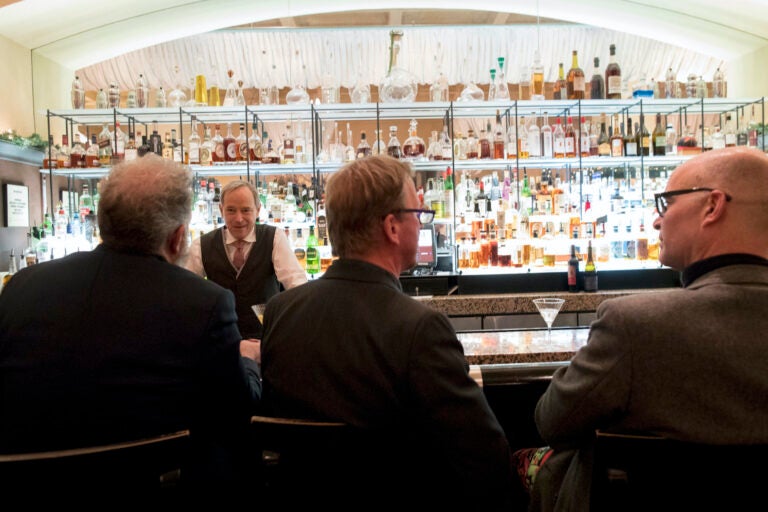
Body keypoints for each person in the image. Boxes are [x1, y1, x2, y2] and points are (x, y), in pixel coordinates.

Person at [260, 155, 517, 508]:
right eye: (418, 214)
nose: (423, 223)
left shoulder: (280, 312)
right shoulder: (419, 328)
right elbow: (485, 461)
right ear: (392, 227)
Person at [529, 146, 768, 511]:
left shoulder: (635, 326)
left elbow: (552, 421)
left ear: (712, 206)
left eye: (666, 204)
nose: (657, 221)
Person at [0, 155, 260, 483]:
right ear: (178, 237)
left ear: (102, 224)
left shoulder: (22, 286)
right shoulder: (203, 304)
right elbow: (235, 414)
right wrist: (247, 361)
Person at [185, 179, 306, 345]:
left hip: (267, 342)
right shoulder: (201, 245)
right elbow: (186, 294)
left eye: (246, 210)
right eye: (231, 210)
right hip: (220, 344)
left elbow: (297, 286)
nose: (239, 218)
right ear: (221, 210)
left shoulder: (275, 238)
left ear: (258, 210)